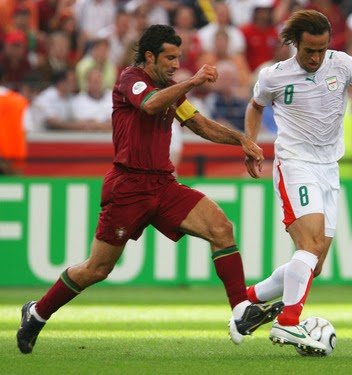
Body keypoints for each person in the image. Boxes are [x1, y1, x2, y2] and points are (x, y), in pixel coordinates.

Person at [16, 24, 283, 355]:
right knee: (97, 269)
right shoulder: (131, 80)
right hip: (128, 187)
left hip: (163, 184)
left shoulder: (171, 90)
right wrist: (194, 80)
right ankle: (38, 313)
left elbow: (198, 123)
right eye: (170, 58)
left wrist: (242, 140)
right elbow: (150, 105)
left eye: (178, 57)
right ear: (149, 56)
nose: (175, 63)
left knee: (221, 227)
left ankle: (241, 309)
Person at [243, 10, 352, 354]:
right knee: (308, 245)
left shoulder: (342, 64)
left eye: (322, 50)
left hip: (329, 167)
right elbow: (254, 105)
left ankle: (246, 303)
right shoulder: (274, 76)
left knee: (315, 263)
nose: (316, 57)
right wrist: (250, 142)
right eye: (310, 50)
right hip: (295, 163)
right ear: (296, 44)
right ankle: (289, 321)